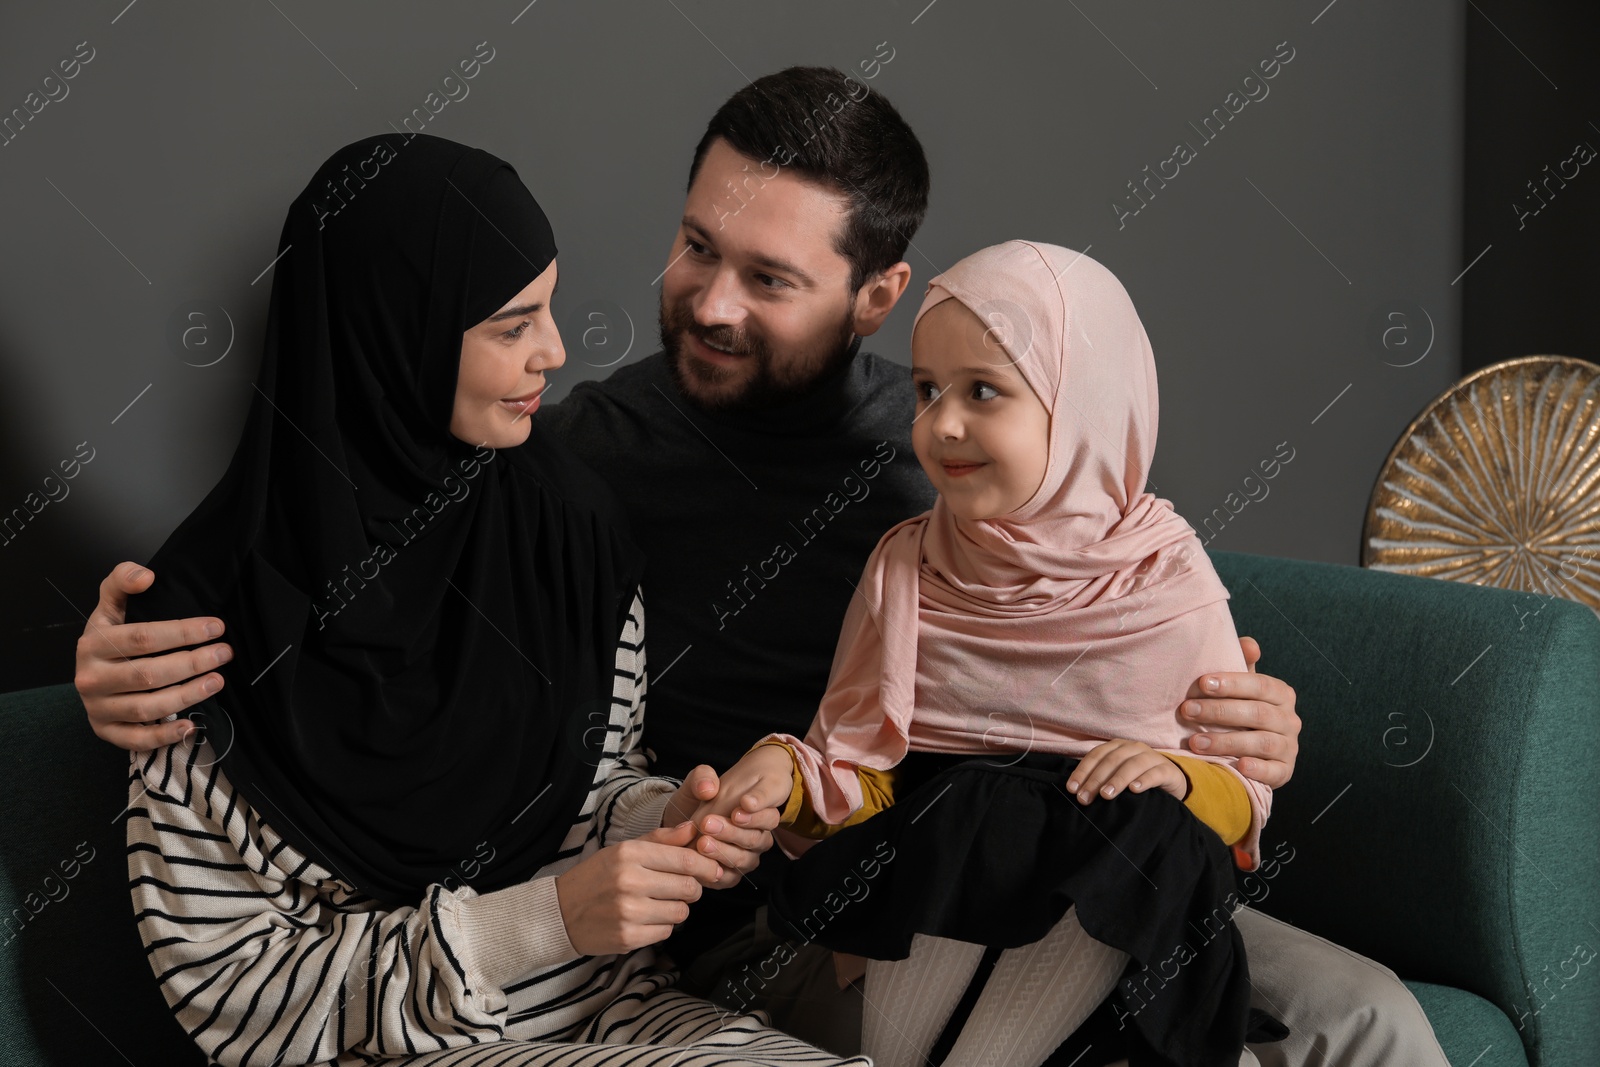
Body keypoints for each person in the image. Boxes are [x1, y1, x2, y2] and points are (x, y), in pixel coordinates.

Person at [75, 68, 1445, 1067]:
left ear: (878, 293)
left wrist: (1240, 723)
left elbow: (1123, 604)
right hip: (783, 899)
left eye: (770, 279)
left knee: (1368, 1014)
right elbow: (367, 510)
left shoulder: (949, 458)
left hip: (1024, 848)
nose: (710, 302)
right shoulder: (571, 461)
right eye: (694, 248)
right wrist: (120, 648)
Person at [117, 131, 864, 1065]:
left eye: (546, 311)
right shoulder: (192, 636)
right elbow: (232, 995)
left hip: (621, 1018)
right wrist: (541, 921)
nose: (553, 352)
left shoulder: (568, 525)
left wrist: (665, 820)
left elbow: (600, 777)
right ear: (392, 335)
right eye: (511, 325)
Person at [705, 241, 1277, 1067]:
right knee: (979, 802)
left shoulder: (1167, 575)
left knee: (1144, 822)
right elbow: (863, 772)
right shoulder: (909, 566)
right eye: (927, 390)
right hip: (936, 917)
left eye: (984, 391)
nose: (941, 424)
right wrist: (787, 775)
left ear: (1082, 402)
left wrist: (1182, 775)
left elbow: (1242, 798)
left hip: (1117, 927)